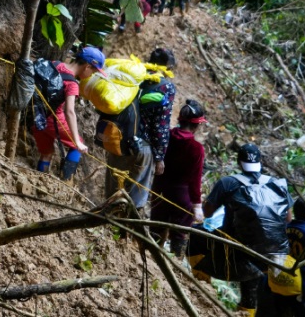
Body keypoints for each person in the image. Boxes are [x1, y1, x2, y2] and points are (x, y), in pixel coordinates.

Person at [202, 144, 294, 316]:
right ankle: (250, 309)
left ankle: (201, 292)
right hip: (276, 251)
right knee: (254, 291)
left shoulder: (228, 183)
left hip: (240, 249)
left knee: (199, 241)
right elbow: (288, 219)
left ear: (239, 162)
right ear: (260, 162)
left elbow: (207, 213)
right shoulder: (277, 184)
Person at [72, 45, 154, 208]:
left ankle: (112, 214)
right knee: (132, 193)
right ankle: (121, 221)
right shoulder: (127, 90)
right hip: (131, 145)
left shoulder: (115, 93)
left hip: (117, 143)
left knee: (114, 183)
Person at [150, 99, 207, 258]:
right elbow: (195, 181)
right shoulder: (196, 148)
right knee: (179, 235)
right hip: (182, 197)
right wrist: (197, 206)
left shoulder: (165, 136)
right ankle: (175, 267)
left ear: (180, 119)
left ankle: (151, 259)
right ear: (197, 126)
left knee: (155, 227)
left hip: (159, 190)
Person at [26, 58, 86, 180]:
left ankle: (40, 181)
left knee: (47, 152)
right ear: (87, 66)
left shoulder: (55, 64)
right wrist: (77, 141)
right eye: (94, 71)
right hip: (53, 120)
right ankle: (66, 182)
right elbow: (69, 111)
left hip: (35, 115)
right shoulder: (72, 84)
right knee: (77, 144)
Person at [139, 48, 177, 176]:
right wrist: (159, 157)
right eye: (170, 68)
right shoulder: (166, 87)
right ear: (166, 67)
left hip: (119, 138)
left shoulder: (136, 76)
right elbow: (161, 125)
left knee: (113, 189)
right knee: (135, 194)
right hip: (142, 147)